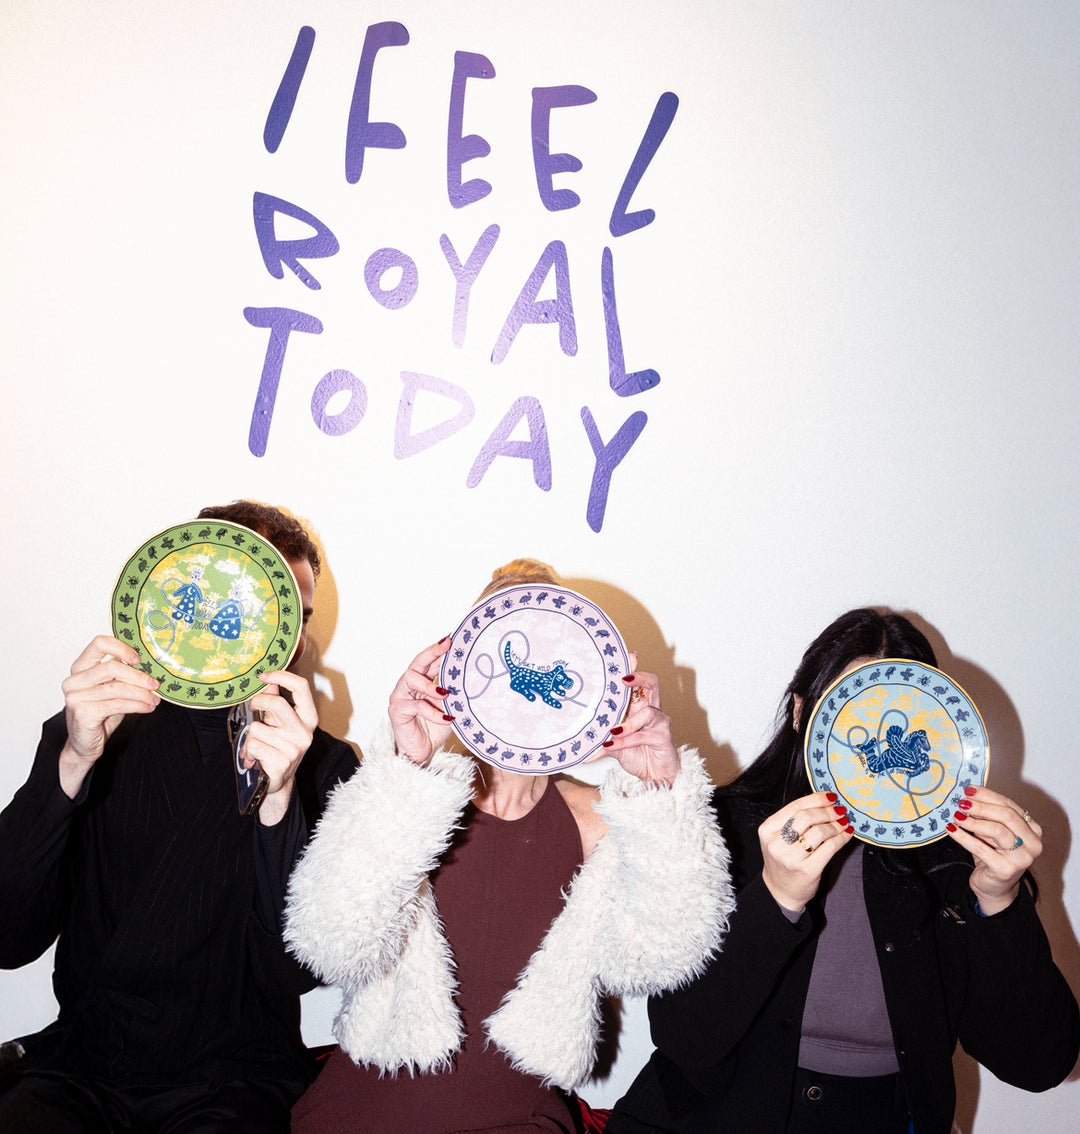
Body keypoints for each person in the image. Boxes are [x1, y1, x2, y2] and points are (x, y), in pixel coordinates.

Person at [284, 559, 735, 1133]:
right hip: (360, 1114)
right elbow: (330, 944)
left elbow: (662, 958)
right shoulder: (414, 797)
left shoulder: (597, 818)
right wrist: (407, 769)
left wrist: (659, 794)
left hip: (520, 1118)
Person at [607, 608, 1080, 1133]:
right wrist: (776, 897)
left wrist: (999, 901)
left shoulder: (953, 864)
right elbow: (683, 1037)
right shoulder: (722, 828)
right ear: (800, 712)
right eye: (847, 707)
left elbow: (1040, 1063)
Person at [0, 501, 358, 1133]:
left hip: (236, 1082)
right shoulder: (98, 729)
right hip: (83, 1069)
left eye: (298, 617)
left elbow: (294, 973)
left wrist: (278, 802)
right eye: (264, 609)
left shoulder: (325, 765)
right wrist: (73, 761)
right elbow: (9, 935)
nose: (292, 638)